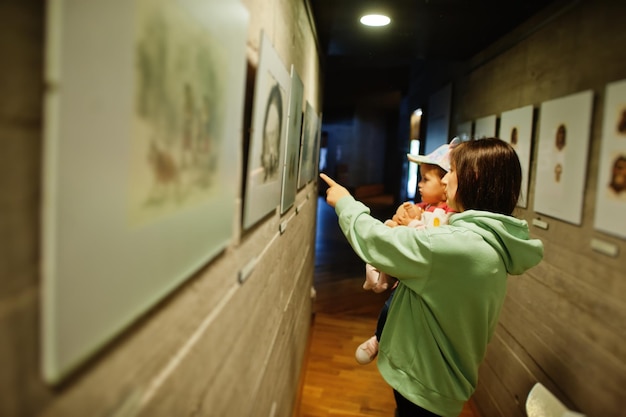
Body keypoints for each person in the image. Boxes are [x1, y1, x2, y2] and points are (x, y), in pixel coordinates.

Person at [320, 137, 544, 417]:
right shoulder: (488, 242)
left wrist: (345, 203)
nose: (446, 179)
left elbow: (377, 241)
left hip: (426, 386)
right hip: (438, 382)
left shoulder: (458, 245)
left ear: (472, 177)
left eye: (451, 171)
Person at [356, 142, 457, 365]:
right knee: (392, 307)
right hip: (408, 276)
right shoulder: (423, 207)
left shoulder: (452, 214)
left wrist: (409, 224)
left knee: (396, 310)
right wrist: (402, 216)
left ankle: (379, 339)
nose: (420, 184)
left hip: (427, 281)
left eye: (425, 179)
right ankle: (378, 285)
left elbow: (433, 243)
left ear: (446, 183)